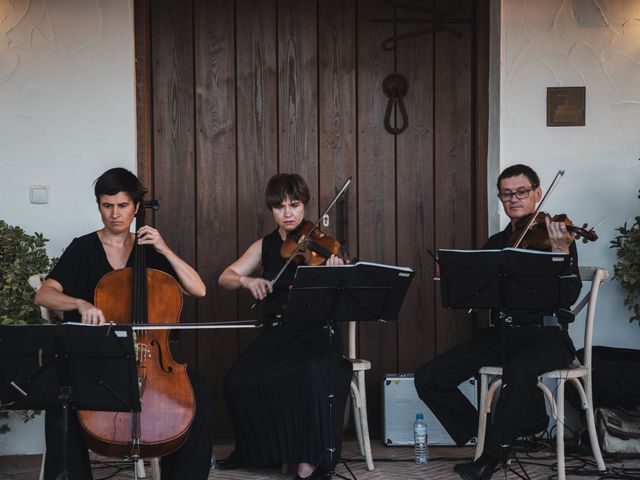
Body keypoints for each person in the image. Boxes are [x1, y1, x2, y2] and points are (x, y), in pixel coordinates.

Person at [35, 167, 214, 480]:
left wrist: (164, 248)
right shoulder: (83, 248)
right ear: (98, 206)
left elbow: (197, 289)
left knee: (200, 391)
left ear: (135, 207)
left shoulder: (149, 250)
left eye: (121, 206)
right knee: (60, 397)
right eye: (107, 206)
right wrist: (80, 303)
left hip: (152, 363)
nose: (114, 214)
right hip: (96, 362)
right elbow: (45, 295)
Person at [414, 164, 582, 480]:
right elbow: (475, 297)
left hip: (546, 337)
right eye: (507, 194)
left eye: (521, 192)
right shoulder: (496, 244)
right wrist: (454, 279)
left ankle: (490, 459)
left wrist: (561, 253)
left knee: (519, 369)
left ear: (537, 193)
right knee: (429, 378)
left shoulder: (557, 236)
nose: (514, 199)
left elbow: (570, 294)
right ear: (501, 198)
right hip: (501, 335)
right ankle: (493, 434)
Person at [218, 173, 353, 480]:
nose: (288, 213)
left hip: (318, 332)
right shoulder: (264, 245)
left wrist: (337, 272)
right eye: (280, 207)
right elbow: (224, 277)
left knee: (310, 373)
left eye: (294, 205)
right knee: (236, 380)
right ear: (271, 210)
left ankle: (310, 461)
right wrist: (246, 280)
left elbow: (345, 293)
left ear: (305, 205)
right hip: (279, 332)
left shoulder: (324, 246)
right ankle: (266, 453)